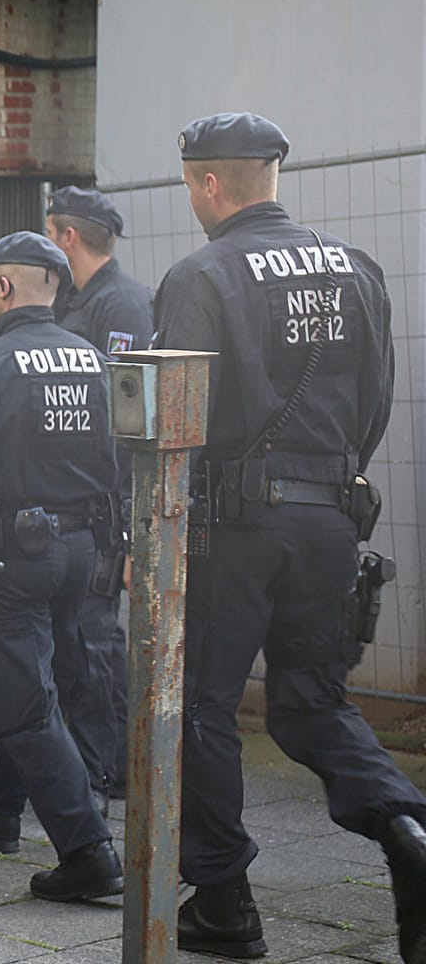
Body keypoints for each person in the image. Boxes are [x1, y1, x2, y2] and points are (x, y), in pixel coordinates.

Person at [154, 112, 425, 961]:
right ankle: (409, 834)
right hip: (332, 518)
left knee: (200, 703)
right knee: (314, 703)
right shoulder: (357, 267)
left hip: (234, 527)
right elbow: (377, 398)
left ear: (206, 183)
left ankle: (225, 901)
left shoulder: (201, 274)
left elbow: (173, 422)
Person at [0, 231, 125, 903]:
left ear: (3, 287)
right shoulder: (98, 361)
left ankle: (87, 847)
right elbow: (120, 460)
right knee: (42, 684)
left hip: (14, 553)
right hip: (83, 550)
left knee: (24, 696)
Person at [45, 184, 147, 801]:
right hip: (79, 502)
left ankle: (112, 768)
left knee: (96, 640)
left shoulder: (124, 307)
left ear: (67, 237)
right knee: (77, 640)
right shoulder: (79, 303)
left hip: (108, 503)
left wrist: (130, 526)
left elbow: (130, 424)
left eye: (50, 232)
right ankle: (90, 763)